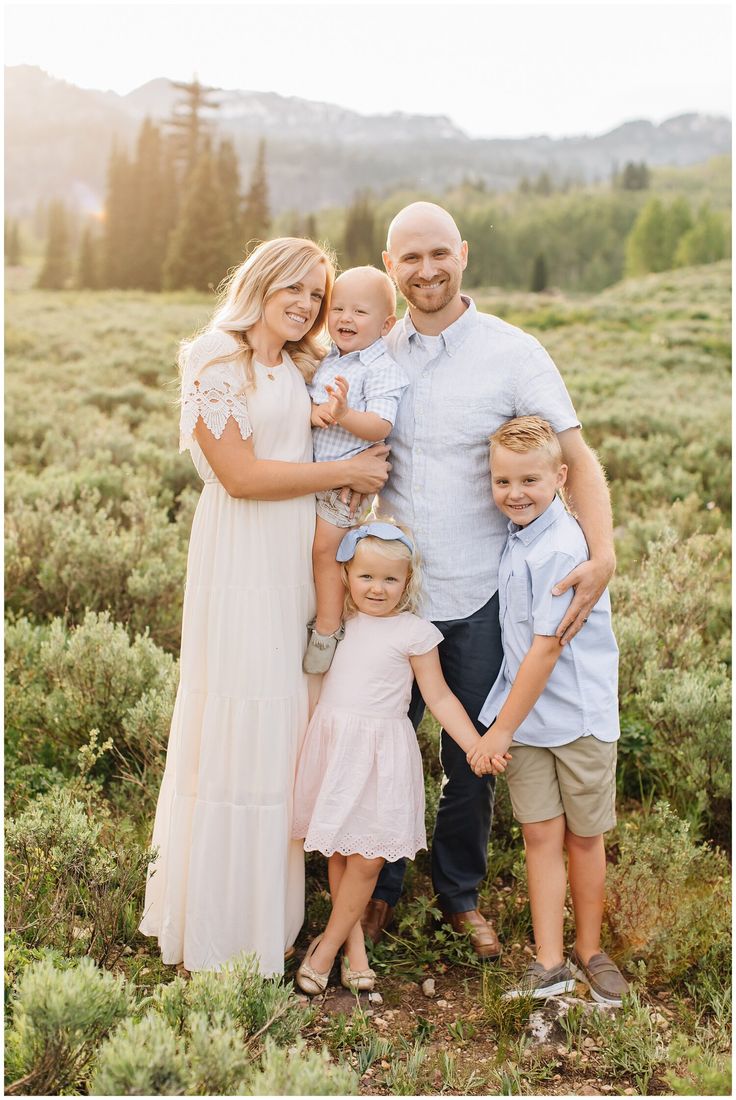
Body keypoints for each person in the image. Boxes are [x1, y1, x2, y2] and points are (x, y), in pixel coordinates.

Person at [364, 202, 616, 959]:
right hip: (395, 599)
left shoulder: (514, 353)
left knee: (470, 764)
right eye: (410, 258)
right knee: (381, 746)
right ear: (389, 265)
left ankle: (459, 896)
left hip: (481, 599)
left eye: (440, 253)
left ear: (464, 254)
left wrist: (601, 555)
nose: (427, 270)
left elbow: (580, 459)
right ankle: (374, 894)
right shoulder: (377, 355)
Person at [139, 238, 390, 977]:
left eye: (318, 293)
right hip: (242, 556)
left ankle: (268, 923)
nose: (308, 304)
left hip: (293, 560)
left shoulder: (303, 363)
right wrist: (344, 467)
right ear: (262, 281)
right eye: (297, 288)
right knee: (238, 719)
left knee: (285, 728)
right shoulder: (216, 355)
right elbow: (241, 475)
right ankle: (221, 931)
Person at [291, 522, 500, 994]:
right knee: (342, 849)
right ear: (347, 575)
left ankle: (323, 949)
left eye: (390, 579)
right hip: (339, 748)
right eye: (366, 577)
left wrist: (473, 744)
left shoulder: (415, 633)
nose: (377, 588)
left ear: (408, 583)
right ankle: (355, 951)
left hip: (383, 754)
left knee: (368, 858)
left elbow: (442, 698)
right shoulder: (337, 622)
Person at [467, 417, 628, 1006]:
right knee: (539, 834)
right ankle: (549, 961)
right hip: (529, 718)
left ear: (560, 477)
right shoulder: (519, 535)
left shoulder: (561, 543)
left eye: (530, 479)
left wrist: (497, 729)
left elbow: (547, 646)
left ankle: (590, 950)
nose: (515, 493)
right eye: (502, 481)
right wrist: (511, 722)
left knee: (584, 838)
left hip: (576, 716)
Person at [303, 266, 410, 673]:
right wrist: (317, 413)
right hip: (318, 475)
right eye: (338, 308)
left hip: (343, 486)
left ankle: (328, 628)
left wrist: (344, 414)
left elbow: (381, 425)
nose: (345, 319)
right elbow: (314, 406)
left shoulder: (382, 370)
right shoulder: (329, 357)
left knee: (324, 551)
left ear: (386, 324)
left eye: (359, 312)